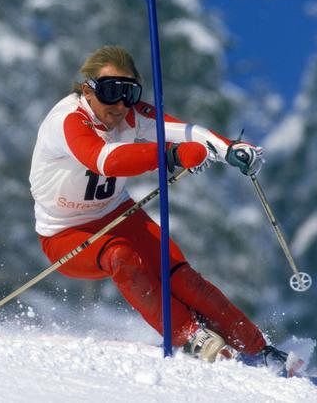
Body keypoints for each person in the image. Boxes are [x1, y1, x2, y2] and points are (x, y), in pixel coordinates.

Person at [29, 45, 280, 363]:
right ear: (87, 89)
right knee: (122, 258)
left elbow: (187, 131)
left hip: (118, 214)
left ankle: (258, 349)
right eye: (110, 91)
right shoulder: (68, 120)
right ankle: (190, 337)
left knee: (184, 279)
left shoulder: (129, 115)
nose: (120, 104)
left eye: (129, 93)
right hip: (65, 232)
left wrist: (228, 148)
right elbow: (105, 160)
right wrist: (170, 154)